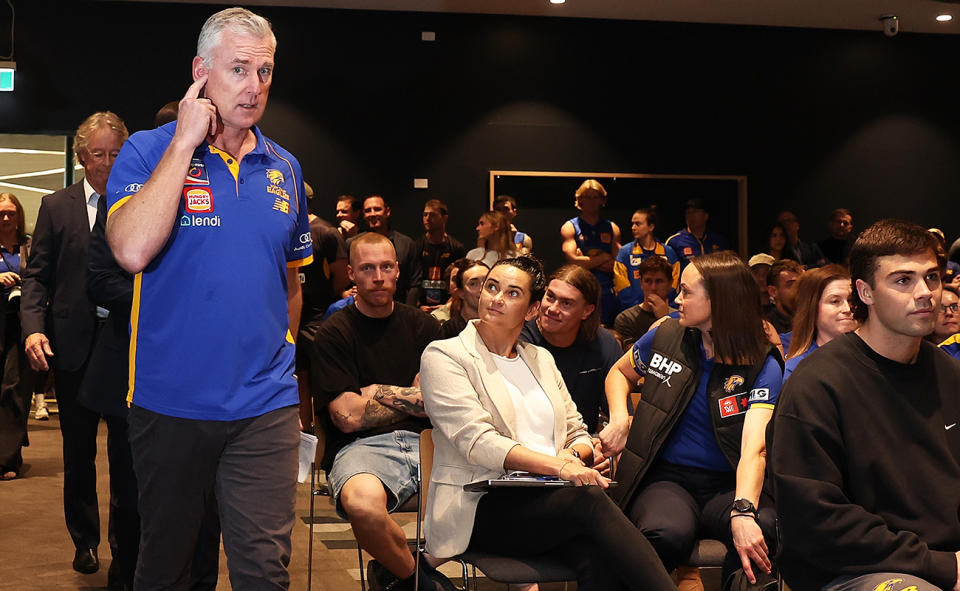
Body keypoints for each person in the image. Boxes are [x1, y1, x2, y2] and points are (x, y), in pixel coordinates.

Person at [105, 8, 312, 588]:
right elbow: (131, 249)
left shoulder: (286, 169)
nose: (254, 86)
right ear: (201, 72)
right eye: (239, 68)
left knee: (264, 570)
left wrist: (282, 355)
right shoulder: (148, 151)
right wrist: (185, 142)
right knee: (167, 566)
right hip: (170, 405)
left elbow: (291, 284)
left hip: (265, 409)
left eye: (265, 71)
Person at [420, 256, 676, 591]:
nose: (496, 298)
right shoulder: (444, 356)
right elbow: (479, 441)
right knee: (589, 500)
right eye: (492, 287)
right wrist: (560, 468)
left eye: (512, 293)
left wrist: (576, 454)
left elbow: (577, 430)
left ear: (530, 310)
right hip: (478, 506)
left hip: (546, 502)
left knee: (600, 557)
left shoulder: (539, 358)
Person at [768, 219, 960, 591]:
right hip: (856, 569)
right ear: (866, 292)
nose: (926, 293)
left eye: (932, 278)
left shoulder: (947, 373)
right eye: (903, 280)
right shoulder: (816, 385)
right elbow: (817, 523)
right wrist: (943, 568)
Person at [601, 251, 782, 585]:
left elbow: (755, 448)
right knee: (665, 534)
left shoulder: (762, 362)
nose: (676, 299)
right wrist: (619, 418)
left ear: (720, 300)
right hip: (667, 479)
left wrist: (743, 512)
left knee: (762, 532)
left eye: (686, 292)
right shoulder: (666, 335)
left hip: (728, 482)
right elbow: (619, 373)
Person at [21, 111, 130, 577]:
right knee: (78, 454)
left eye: (115, 154)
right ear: (81, 155)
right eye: (97, 154)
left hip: (127, 347)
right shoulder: (55, 206)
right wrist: (32, 328)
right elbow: (37, 276)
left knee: (128, 457)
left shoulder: (140, 201)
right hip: (72, 348)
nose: (106, 164)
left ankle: (127, 546)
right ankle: (84, 541)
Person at [309, 232, 446, 591]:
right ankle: (420, 581)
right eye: (367, 268)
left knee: (492, 496)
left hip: (431, 442)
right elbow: (348, 416)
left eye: (386, 266)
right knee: (364, 507)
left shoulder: (426, 327)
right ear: (352, 273)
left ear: (398, 271)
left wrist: (378, 392)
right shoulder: (333, 333)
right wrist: (411, 398)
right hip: (361, 448)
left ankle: (392, 571)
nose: (379, 276)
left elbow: (439, 403)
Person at [519, 265, 623, 433]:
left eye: (566, 303)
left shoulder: (604, 344)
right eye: (550, 296)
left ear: (586, 311)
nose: (553, 308)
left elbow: (620, 414)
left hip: (585, 444)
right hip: (529, 444)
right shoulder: (520, 342)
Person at [561, 179, 622, 326]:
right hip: (580, 289)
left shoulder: (612, 228)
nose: (591, 201)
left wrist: (586, 262)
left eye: (595, 197)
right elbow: (573, 262)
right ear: (580, 199)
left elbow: (618, 265)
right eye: (587, 197)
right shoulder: (570, 227)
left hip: (606, 292)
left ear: (602, 200)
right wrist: (604, 258)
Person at [0, 193, 31, 481]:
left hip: (20, 324)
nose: (7, 219)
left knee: (13, 387)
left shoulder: (29, 246)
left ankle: (8, 459)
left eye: (11, 213)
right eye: (1, 214)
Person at [782, 265, 857, 381]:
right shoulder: (797, 370)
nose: (847, 309)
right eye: (835, 301)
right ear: (813, 309)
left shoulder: (877, 356)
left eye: (851, 300)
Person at [352, 195, 421, 307]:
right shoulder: (353, 244)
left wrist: (408, 313)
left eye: (377, 209)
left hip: (398, 311)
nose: (373, 214)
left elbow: (415, 284)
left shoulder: (406, 244)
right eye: (368, 210)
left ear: (387, 211)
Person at [613, 207, 680, 310]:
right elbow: (621, 287)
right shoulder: (625, 253)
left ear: (651, 227)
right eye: (632, 224)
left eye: (638, 224)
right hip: (635, 312)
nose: (633, 227)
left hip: (664, 309)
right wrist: (640, 308)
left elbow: (674, 284)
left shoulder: (668, 252)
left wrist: (661, 305)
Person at [614, 256, 677, 350]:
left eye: (659, 281)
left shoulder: (680, 318)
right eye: (648, 281)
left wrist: (664, 319)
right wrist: (663, 321)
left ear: (670, 283)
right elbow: (634, 356)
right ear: (641, 283)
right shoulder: (626, 319)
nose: (653, 288)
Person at [415, 199, 467, 311]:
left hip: (448, 308)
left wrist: (448, 306)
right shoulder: (416, 246)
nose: (427, 218)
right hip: (422, 308)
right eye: (425, 215)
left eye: (432, 215)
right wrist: (418, 305)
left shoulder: (456, 248)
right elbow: (411, 281)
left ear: (444, 218)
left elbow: (460, 282)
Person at [665, 198, 729, 271]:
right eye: (688, 213)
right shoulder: (674, 241)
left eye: (695, 212)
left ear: (705, 216)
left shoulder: (719, 240)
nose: (691, 216)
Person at [438, 258, 488, 339]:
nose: (483, 289)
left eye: (488, 282)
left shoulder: (502, 327)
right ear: (460, 293)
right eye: (473, 284)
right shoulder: (449, 332)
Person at [763, 259, 802, 335]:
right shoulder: (766, 329)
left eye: (800, 284)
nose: (798, 290)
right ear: (773, 291)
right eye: (792, 285)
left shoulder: (812, 322)